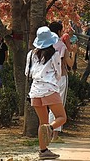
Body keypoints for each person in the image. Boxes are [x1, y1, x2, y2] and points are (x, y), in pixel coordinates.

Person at [26, 26, 66, 160]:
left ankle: (43, 151)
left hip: (35, 90)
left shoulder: (31, 54)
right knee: (61, 117)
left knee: (41, 122)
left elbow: (28, 73)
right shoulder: (54, 54)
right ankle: (50, 128)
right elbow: (58, 73)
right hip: (49, 88)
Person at [48, 21, 77, 141]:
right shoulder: (62, 46)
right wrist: (74, 53)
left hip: (48, 78)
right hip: (61, 77)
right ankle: (54, 133)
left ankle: (47, 131)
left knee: (49, 106)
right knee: (60, 106)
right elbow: (69, 64)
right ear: (59, 32)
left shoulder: (45, 45)